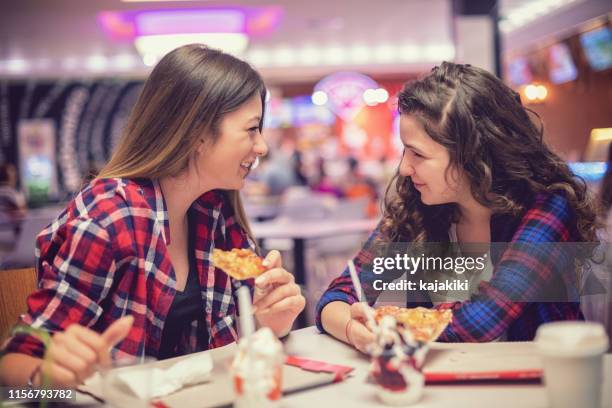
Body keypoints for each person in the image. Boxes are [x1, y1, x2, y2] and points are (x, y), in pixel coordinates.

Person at [0, 44, 305, 387]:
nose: (262, 146)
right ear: (197, 133)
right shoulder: (106, 221)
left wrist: (265, 322)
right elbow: (14, 365)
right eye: (251, 129)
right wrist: (50, 376)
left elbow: (216, 354)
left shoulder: (214, 214)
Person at [316, 62, 599, 352]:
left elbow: (482, 321)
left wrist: (384, 322)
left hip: (540, 387)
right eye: (405, 150)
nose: (404, 168)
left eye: (418, 154)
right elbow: (338, 295)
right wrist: (354, 330)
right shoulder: (419, 207)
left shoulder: (547, 208)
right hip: (440, 388)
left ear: (473, 155)